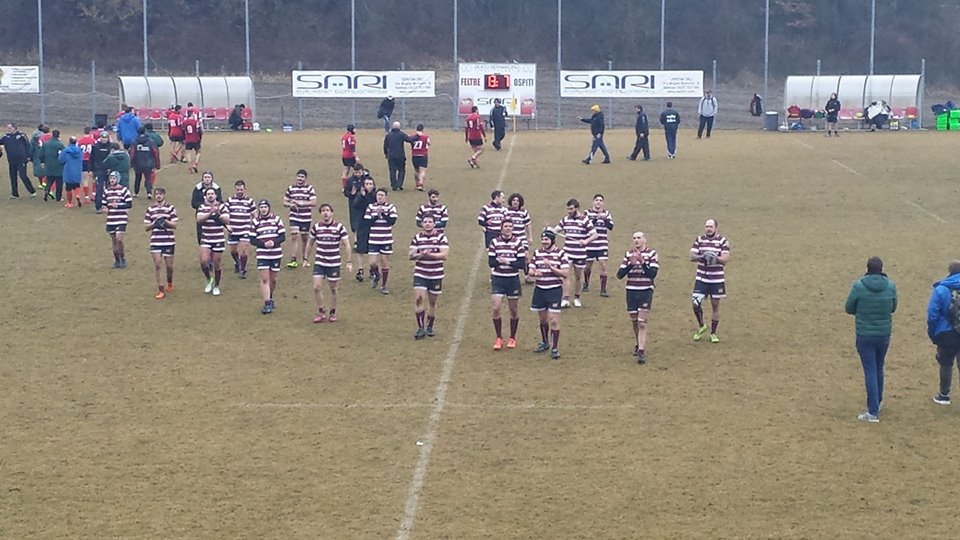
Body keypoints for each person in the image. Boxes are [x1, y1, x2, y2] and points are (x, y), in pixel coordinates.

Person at [844, 256, 897, 423]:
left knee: (870, 370)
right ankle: (878, 402)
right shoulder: (890, 286)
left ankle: (872, 411)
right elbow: (893, 307)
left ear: (867, 268)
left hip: (865, 334)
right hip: (884, 334)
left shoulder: (859, 286)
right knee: (879, 367)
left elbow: (849, 307)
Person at [617, 231, 660, 364]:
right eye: (634, 238)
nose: (636, 240)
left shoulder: (652, 254)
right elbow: (619, 275)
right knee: (635, 321)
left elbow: (652, 274)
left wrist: (642, 262)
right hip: (631, 290)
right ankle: (638, 343)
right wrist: (631, 264)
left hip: (645, 290)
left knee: (642, 322)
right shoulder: (628, 254)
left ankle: (641, 351)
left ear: (644, 239)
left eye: (639, 238)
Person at [307, 203, 353, 323]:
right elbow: (310, 243)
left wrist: (348, 261)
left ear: (331, 213)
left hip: (333, 263)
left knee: (333, 288)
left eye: (327, 210)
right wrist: (305, 259)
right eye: (323, 211)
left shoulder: (339, 227)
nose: (325, 213)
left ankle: (332, 312)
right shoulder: (316, 227)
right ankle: (321, 311)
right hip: (320, 261)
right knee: (316, 287)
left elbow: (347, 245)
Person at [528, 230, 569, 360]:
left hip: (554, 290)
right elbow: (530, 270)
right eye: (542, 239)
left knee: (554, 320)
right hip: (540, 289)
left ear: (552, 240)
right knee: (543, 319)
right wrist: (535, 273)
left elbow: (565, 273)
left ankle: (554, 347)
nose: (544, 242)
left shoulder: (561, 253)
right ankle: (545, 342)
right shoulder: (537, 253)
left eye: (546, 239)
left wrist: (551, 267)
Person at [550, 198, 597, 308]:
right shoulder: (565, 220)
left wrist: (586, 241)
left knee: (578, 276)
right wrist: (549, 230)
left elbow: (595, 235)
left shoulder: (585, 220)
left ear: (577, 208)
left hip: (580, 254)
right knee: (565, 275)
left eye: (571, 209)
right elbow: (556, 230)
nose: (569, 211)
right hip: (567, 253)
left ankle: (577, 297)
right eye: (568, 209)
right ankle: (565, 298)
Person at [690, 218, 731, 343]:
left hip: (716, 279)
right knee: (695, 303)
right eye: (707, 226)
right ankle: (702, 325)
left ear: (715, 228)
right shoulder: (699, 240)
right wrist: (702, 257)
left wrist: (714, 258)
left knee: (715, 305)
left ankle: (713, 333)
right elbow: (692, 256)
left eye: (711, 226)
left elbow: (725, 259)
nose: (708, 229)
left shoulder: (722, 241)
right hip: (701, 278)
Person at [409, 214, 449, 339]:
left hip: (436, 273)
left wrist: (430, 255)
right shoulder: (417, 238)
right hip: (420, 273)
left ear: (434, 224)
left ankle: (430, 326)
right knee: (419, 299)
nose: (427, 224)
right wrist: (421, 254)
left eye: (430, 222)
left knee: (432, 302)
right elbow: (411, 255)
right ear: (421, 224)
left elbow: (444, 255)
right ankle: (420, 328)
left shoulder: (441, 237)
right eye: (425, 221)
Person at [926, 260, 960, 407]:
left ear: (950, 272)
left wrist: (933, 332)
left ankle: (944, 395)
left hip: (946, 333)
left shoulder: (941, 289)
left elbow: (933, 313)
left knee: (946, 363)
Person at [489, 220, 526, 350]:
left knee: (513, 310)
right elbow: (491, 262)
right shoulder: (494, 242)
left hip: (512, 280)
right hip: (498, 279)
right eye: (506, 226)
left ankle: (512, 337)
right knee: (496, 308)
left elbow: (521, 264)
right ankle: (499, 337)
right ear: (501, 228)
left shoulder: (517, 243)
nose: (508, 228)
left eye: (510, 226)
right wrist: (500, 262)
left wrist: (507, 262)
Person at [251, 199, 286, 314]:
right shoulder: (255, 222)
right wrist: (264, 244)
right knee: (265, 279)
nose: (263, 209)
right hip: (262, 254)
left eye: (265, 207)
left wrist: (274, 243)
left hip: (276, 254)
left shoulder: (277, 219)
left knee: (273, 279)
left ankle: (270, 297)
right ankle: (267, 303)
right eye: (261, 207)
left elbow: (282, 236)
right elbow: (252, 239)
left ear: (269, 208)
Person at [143, 186, 178, 299]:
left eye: (160, 194)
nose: (158, 196)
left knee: (169, 266)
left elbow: (175, 225)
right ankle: (161, 289)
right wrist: (155, 223)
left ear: (164, 195)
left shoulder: (170, 208)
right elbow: (146, 227)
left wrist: (165, 221)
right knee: (158, 264)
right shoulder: (150, 209)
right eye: (157, 194)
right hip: (156, 241)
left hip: (168, 241)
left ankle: (169, 282)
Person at [196, 187, 230, 296]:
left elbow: (227, 220)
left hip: (218, 238)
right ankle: (209, 279)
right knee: (203, 261)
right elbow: (199, 219)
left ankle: (216, 286)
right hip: (206, 238)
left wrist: (217, 215)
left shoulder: (222, 206)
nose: (210, 196)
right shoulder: (202, 207)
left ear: (216, 195)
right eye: (208, 194)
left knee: (217, 263)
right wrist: (210, 213)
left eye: (212, 194)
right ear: (205, 196)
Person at [364, 187, 399, 294]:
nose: (380, 197)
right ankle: (376, 275)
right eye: (378, 195)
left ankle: (384, 285)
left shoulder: (391, 207)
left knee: (384, 262)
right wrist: (376, 215)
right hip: (373, 240)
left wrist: (383, 214)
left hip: (386, 239)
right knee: (372, 263)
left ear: (386, 197)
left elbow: (392, 221)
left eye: (382, 195)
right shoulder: (371, 207)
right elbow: (367, 223)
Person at [283, 169, 317, 268]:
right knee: (294, 236)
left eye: (302, 177)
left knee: (304, 238)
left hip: (306, 217)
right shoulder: (291, 188)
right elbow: (284, 202)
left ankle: (305, 258)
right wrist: (290, 205)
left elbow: (314, 202)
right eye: (298, 176)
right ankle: (293, 259)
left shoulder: (309, 189)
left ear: (305, 178)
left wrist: (301, 203)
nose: (300, 178)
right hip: (294, 216)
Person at [583, 194, 614, 297]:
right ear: (593, 202)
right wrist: (596, 218)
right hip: (590, 244)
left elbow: (611, 227)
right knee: (588, 266)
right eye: (596, 200)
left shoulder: (607, 213)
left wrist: (605, 219)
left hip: (602, 244)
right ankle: (586, 283)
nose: (598, 202)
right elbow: (586, 226)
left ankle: (603, 289)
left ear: (603, 203)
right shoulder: (587, 213)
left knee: (603, 265)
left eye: (600, 200)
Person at [351, 174, 378, 283]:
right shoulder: (360, 195)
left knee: (372, 249)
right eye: (366, 184)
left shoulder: (376, 196)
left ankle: (372, 269)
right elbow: (355, 206)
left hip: (373, 225)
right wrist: (361, 196)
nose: (368, 186)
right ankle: (360, 269)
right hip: (362, 225)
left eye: (370, 184)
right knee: (360, 248)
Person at [103, 171, 133, 268]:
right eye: (111, 178)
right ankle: (116, 260)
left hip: (121, 219)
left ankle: (122, 258)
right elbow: (104, 204)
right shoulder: (107, 191)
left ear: (118, 179)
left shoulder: (124, 190)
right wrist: (105, 208)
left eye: (114, 178)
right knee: (114, 241)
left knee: (119, 239)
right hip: (111, 219)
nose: (112, 180)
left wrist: (118, 206)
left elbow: (129, 204)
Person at [227, 179, 256, 279]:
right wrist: (227, 225)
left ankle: (242, 270)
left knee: (243, 250)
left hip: (245, 229)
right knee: (233, 251)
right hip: (233, 229)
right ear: (235, 189)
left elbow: (255, 214)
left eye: (241, 189)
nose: (239, 191)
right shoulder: (230, 200)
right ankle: (237, 262)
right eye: (238, 190)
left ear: (244, 189)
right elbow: (225, 214)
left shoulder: (249, 201)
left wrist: (256, 225)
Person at [191, 171, 222, 245]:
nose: (207, 179)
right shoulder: (197, 189)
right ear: (202, 178)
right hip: (201, 214)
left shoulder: (217, 188)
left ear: (212, 179)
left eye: (208, 177)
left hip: (214, 214)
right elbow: (193, 203)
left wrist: (214, 207)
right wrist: (204, 205)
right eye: (205, 177)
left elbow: (220, 201)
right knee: (200, 233)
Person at [130, 127, 158, 199]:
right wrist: (156, 163)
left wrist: (131, 163)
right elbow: (155, 152)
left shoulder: (134, 141)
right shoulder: (150, 141)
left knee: (137, 178)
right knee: (148, 178)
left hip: (138, 163)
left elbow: (132, 153)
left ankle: (136, 192)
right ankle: (149, 193)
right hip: (148, 162)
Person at [38, 129, 65, 202]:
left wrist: (42, 162)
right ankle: (58, 197)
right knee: (59, 182)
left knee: (49, 180)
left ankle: (47, 190)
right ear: (58, 135)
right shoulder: (60, 144)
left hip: (48, 165)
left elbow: (40, 154)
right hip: (59, 166)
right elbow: (64, 154)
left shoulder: (46, 144)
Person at [383, 122, 411, 191]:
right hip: (400, 156)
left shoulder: (388, 135)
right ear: (399, 127)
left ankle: (394, 185)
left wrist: (386, 154)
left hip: (391, 156)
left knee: (392, 171)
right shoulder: (401, 134)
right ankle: (399, 184)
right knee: (401, 170)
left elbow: (385, 146)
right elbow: (409, 140)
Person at [58, 136, 84, 209]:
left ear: (69, 141)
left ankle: (69, 202)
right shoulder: (79, 150)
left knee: (68, 187)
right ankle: (77, 195)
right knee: (77, 185)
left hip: (68, 170)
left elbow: (61, 160)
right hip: (77, 170)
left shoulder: (65, 150)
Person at [91, 130, 112, 212]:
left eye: (105, 138)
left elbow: (112, 158)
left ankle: (108, 205)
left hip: (108, 170)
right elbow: (92, 158)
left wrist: (110, 168)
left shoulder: (110, 146)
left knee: (109, 188)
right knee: (99, 188)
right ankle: (98, 206)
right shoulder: (95, 146)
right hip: (99, 170)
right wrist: (91, 170)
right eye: (103, 138)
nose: (104, 139)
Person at [77, 127, 96, 204]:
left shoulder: (80, 141)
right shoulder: (93, 141)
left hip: (83, 161)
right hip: (91, 160)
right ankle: (94, 195)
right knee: (94, 178)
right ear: (90, 132)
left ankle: (86, 197)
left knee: (85, 179)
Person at [410, 123, 430, 191]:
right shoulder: (425, 137)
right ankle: (421, 184)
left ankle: (417, 184)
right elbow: (429, 143)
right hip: (423, 155)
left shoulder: (412, 137)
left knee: (416, 170)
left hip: (415, 155)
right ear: (422, 129)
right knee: (422, 171)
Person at [340, 124, 357, 188]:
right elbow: (352, 147)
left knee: (346, 171)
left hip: (344, 156)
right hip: (350, 156)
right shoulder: (351, 137)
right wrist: (356, 157)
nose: (355, 130)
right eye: (354, 129)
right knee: (358, 169)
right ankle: (357, 184)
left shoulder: (344, 136)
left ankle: (344, 187)